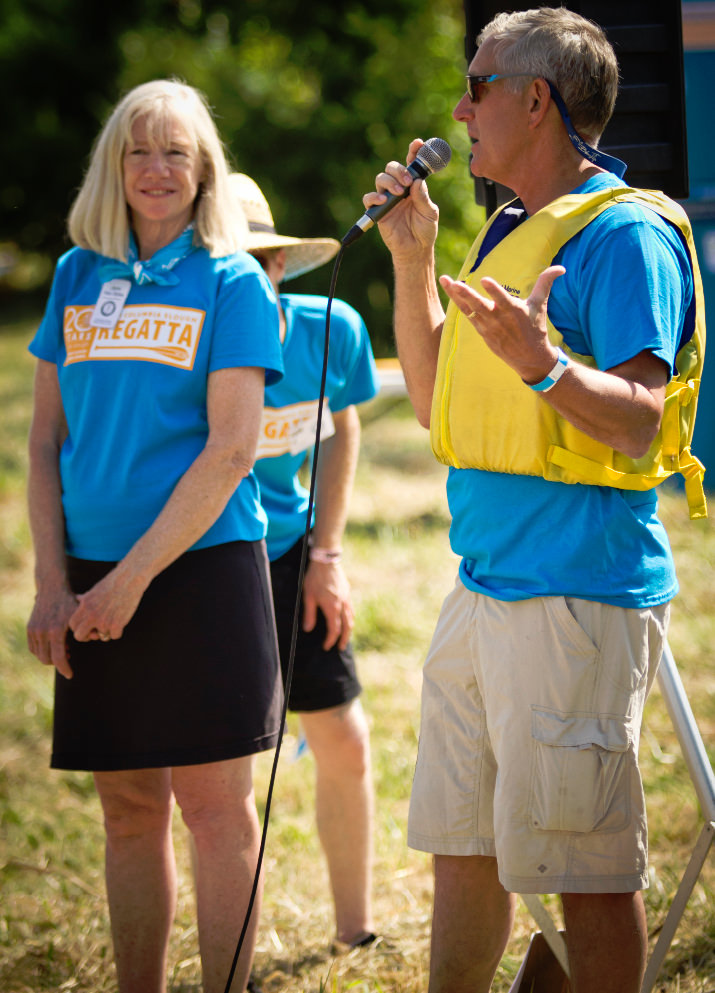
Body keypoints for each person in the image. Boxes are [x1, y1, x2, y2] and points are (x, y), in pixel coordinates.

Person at [362, 7, 706, 993]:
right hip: (479, 590)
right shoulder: (508, 228)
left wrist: (546, 366)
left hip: (572, 600)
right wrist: (414, 258)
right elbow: (432, 404)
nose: (460, 107)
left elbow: (639, 420)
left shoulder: (624, 237)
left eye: (477, 85)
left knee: (587, 877)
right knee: (465, 853)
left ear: (534, 99)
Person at [26, 80, 285, 993]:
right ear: (112, 166)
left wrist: (129, 583)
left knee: (215, 812)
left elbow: (230, 451)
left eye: (177, 151)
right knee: (128, 809)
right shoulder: (74, 275)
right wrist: (52, 582)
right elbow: (43, 442)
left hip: (201, 569)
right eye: (138, 150)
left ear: (205, 167)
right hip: (91, 574)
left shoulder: (232, 280)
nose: (156, 168)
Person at [228, 173, 381, 952]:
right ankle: (236, 957)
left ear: (283, 264)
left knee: (345, 741)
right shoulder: (187, 344)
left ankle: (355, 927)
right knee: (228, 780)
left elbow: (340, 430)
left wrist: (326, 551)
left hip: (294, 556)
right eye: (230, 260)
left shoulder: (332, 329)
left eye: (263, 261)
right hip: (212, 565)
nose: (251, 277)